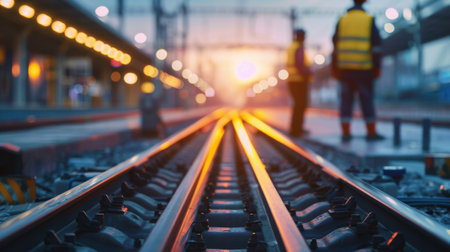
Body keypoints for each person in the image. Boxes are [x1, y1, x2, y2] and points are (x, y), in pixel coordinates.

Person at [332, 0, 383, 141]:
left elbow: (335, 47)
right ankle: (371, 133)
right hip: (364, 69)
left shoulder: (342, 20)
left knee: (345, 101)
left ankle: (346, 133)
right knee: (366, 100)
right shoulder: (369, 20)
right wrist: (377, 67)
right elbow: (376, 46)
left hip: (344, 69)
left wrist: (334, 67)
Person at [286, 28, 312, 137]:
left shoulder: (292, 47)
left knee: (297, 104)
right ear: (302, 37)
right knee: (301, 104)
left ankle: (295, 128)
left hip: (293, 80)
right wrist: (308, 74)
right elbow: (299, 65)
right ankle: (297, 130)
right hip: (299, 81)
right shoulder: (298, 48)